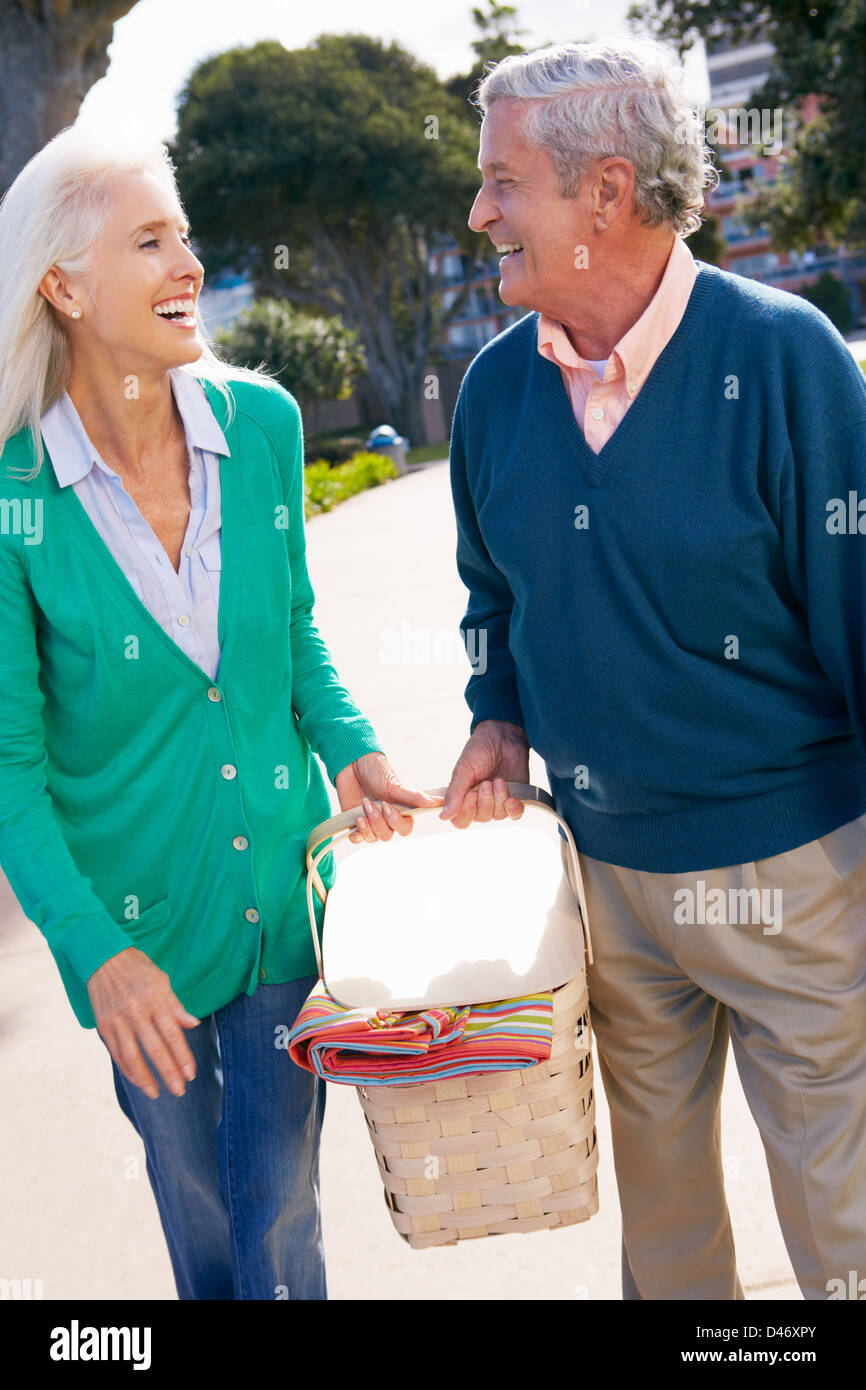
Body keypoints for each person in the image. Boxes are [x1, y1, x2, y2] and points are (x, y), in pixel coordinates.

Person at [438, 36, 866, 1300]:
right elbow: (491, 594)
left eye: (502, 182)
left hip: (793, 874)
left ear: (604, 194)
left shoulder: (786, 358)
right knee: (665, 1248)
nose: (479, 213)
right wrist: (496, 716)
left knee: (843, 1230)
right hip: (607, 879)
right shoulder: (493, 394)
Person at [0, 124, 442, 1301]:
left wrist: (356, 752)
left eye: (184, 233)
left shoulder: (262, 430)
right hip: (136, 938)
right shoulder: (15, 496)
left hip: (278, 912)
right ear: (64, 284)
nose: (186, 262)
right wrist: (97, 953)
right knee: (200, 1225)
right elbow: (9, 768)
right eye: (149, 240)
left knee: (281, 1220)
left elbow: (290, 634)